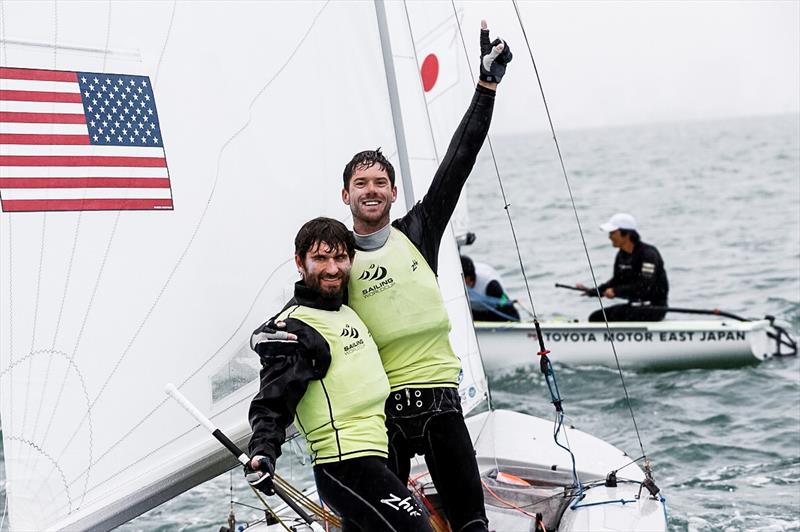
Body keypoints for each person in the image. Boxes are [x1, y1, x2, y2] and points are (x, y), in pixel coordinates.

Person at [341, 21, 511, 532]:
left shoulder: (418, 229)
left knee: (472, 527)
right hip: (378, 416)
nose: (370, 189)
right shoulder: (335, 255)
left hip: (439, 405)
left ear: (393, 194)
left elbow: (459, 160)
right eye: (360, 183)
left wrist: (486, 88)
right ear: (345, 195)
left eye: (380, 182)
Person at [246, 217, 432, 532]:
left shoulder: (347, 309)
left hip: (376, 456)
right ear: (300, 263)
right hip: (345, 464)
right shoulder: (293, 330)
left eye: (340, 257)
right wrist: (263, 452)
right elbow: (272, 403)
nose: (332, 268)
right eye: (320, 258)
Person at [576, 213, 669, 322]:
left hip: (654, 308)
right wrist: (593, 291)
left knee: (599, 319)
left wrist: (616, 291)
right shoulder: (621, 255)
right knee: (596, 317)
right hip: (634, 307)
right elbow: (617, 281)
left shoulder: (648, 254)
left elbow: (645, 286)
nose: (609, 237)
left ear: (626, 234)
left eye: (612, 233)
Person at [461, 255, 520, 322]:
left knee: (504, 309)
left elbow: (503, 302)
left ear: (468, 278)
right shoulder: (460, 280)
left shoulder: (490, 284)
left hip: (496, 305)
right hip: (475, 309)